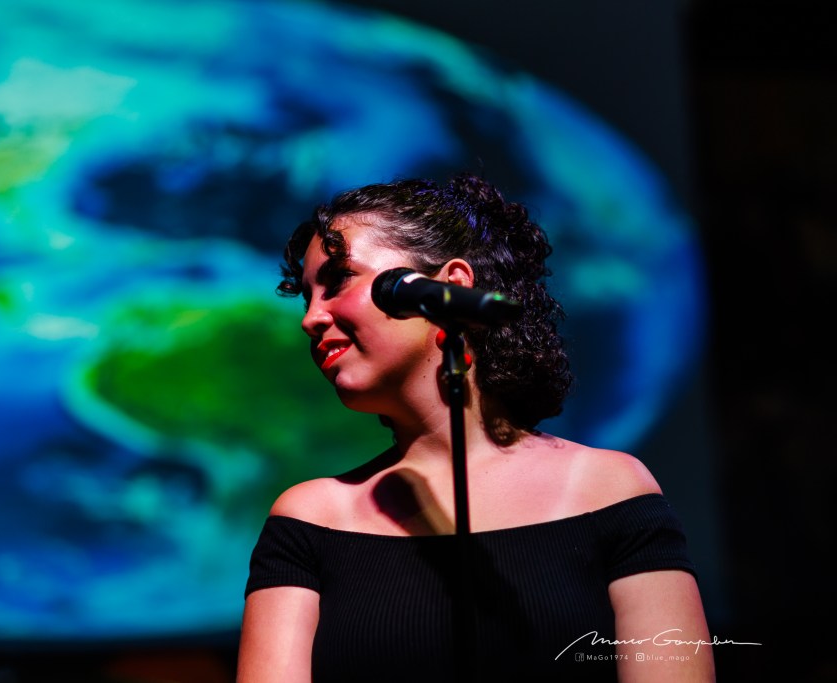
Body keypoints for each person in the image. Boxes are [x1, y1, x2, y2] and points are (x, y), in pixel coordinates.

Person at [236, 172, 715, 682]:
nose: (311, 318)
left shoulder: (609, 490)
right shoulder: (310, 519)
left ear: (451, 286)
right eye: (306, 297)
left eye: (339, 280)